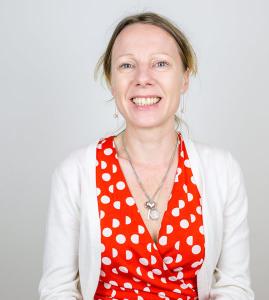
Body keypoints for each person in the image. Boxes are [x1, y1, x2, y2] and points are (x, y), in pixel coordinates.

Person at [38, 11, 255, 300]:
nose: (143, 78)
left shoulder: (223, 170)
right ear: (111, 80)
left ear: (185, 78)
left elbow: (233, 286)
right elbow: (57, 290)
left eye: (161, 63)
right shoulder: (74, 172)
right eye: (127, 65)